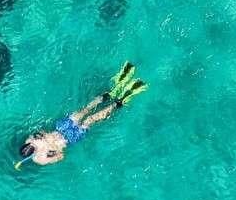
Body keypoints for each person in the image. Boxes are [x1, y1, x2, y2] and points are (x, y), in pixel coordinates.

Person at [16, 63, 146, 168]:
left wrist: (42, 135)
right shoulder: (41, 159)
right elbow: (61, 156)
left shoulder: (30, 140)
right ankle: (118, 103)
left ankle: (109, 94)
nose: (33, 143)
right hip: (69, 138)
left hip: (60, 128)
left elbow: (40, 132)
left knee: (84, 110)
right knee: (90, 119)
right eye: (33, 146)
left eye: (31, 143)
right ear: (32, 152)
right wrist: (53, 150)